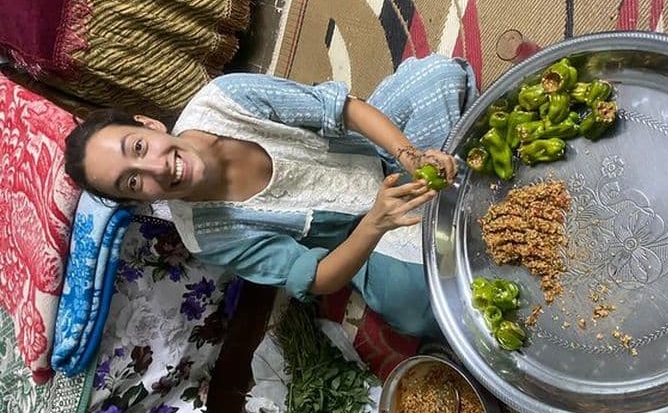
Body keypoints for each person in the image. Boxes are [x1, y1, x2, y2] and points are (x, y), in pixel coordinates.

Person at [64, 55, 477, 337]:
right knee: (417, 306)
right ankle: (453, 191)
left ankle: (443, 190)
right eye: (133, 183)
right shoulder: (207, 236)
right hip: (364, 241)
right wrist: (375, 223)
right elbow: (315, 278)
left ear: (149, 124)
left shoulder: (225, 99)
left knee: (439, 76)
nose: (156, 168)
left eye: (137, 148)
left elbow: (344, 111)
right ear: (141, 201)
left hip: (376, 155)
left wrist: (410, 155)